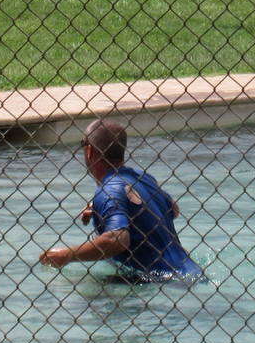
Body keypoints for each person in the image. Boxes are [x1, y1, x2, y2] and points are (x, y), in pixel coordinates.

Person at [38, 119, 203, 282]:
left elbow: (117, 240)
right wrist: (113, 207)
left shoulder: (108, 190)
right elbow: (173, 209)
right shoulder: (141, 177)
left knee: (80, 290)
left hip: (165, 281)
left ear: (89, 151)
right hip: (192, 273)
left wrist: (67, 255)